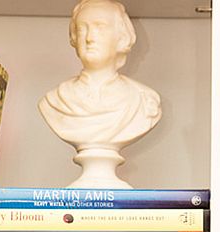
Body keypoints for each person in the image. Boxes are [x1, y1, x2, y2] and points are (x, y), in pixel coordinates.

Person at [39, 0, 161, 187]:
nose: (89, 38)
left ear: (121, 38)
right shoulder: (54, 101)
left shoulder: (143, 100)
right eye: (82, 29)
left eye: (100, 27)